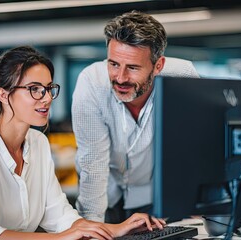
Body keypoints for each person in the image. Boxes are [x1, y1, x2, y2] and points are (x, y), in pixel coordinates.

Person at [0, 45, 162, 240]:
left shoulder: (38, 143)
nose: (47, 98)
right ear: (3, 95)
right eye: (35, 90)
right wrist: (61, 238)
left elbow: (58, 215)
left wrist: (117, 229)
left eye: (49, 89)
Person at [71, 10, 200, 223]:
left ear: (158, 66)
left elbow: (193, 148)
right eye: (113, 64)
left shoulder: (183, 78)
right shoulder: (91, 83)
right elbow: (92, 163)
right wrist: (91, 227)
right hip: (106, 190)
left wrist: (193, 203)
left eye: (132, 67)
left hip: (156, 191)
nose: (120, 78)